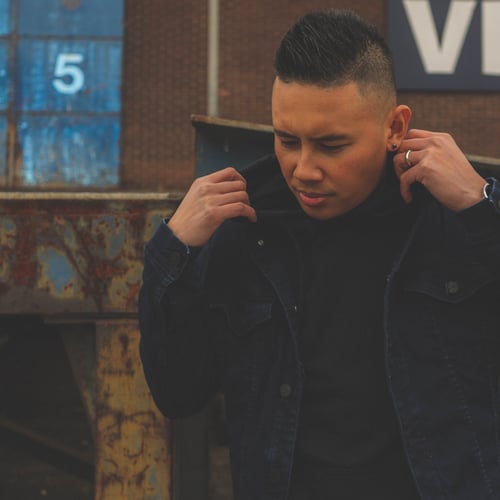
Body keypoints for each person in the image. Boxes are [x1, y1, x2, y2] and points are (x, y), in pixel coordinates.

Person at [139, 9, 500, 500]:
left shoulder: (451, 224)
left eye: (331, 145)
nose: (304, 169)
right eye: (287, 140)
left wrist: (483, 208)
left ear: (395, 127)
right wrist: (173, 252)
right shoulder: (244, 227)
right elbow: (179, 392)